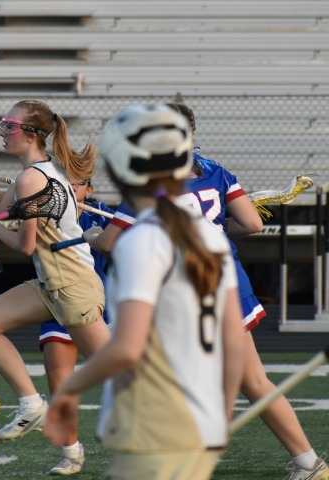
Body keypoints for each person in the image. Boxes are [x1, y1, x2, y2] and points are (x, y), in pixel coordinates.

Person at [87, 103, 329, 480]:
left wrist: (89, 234)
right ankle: (308, 463)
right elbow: (252, 224)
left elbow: (109, 243)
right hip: (230, 283)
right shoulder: (215, 170)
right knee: (252, 381)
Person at [44, 103, 247, 480]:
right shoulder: (210, 236)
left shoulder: (143, 240)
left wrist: (68, 390)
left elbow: (127, 347)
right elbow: (233, 340)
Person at [0, 99, 111, 474]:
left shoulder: (32, 178)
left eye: (10, 126)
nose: (3, 132)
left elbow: (24, 245)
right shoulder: (38, 171)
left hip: (72, 286)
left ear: (31, 135)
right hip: (50, 285)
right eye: (3, 124)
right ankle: (31, 404)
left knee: (119, 373)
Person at [38, 176, 115, 475]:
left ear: (89, 189)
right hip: (57, 298)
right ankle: (71, 452)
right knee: (60, 382)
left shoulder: (101, 213)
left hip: (91, 303)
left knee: (119, 378)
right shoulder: (46, 211)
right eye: (64, 182)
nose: (70, 189)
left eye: (77, 184)